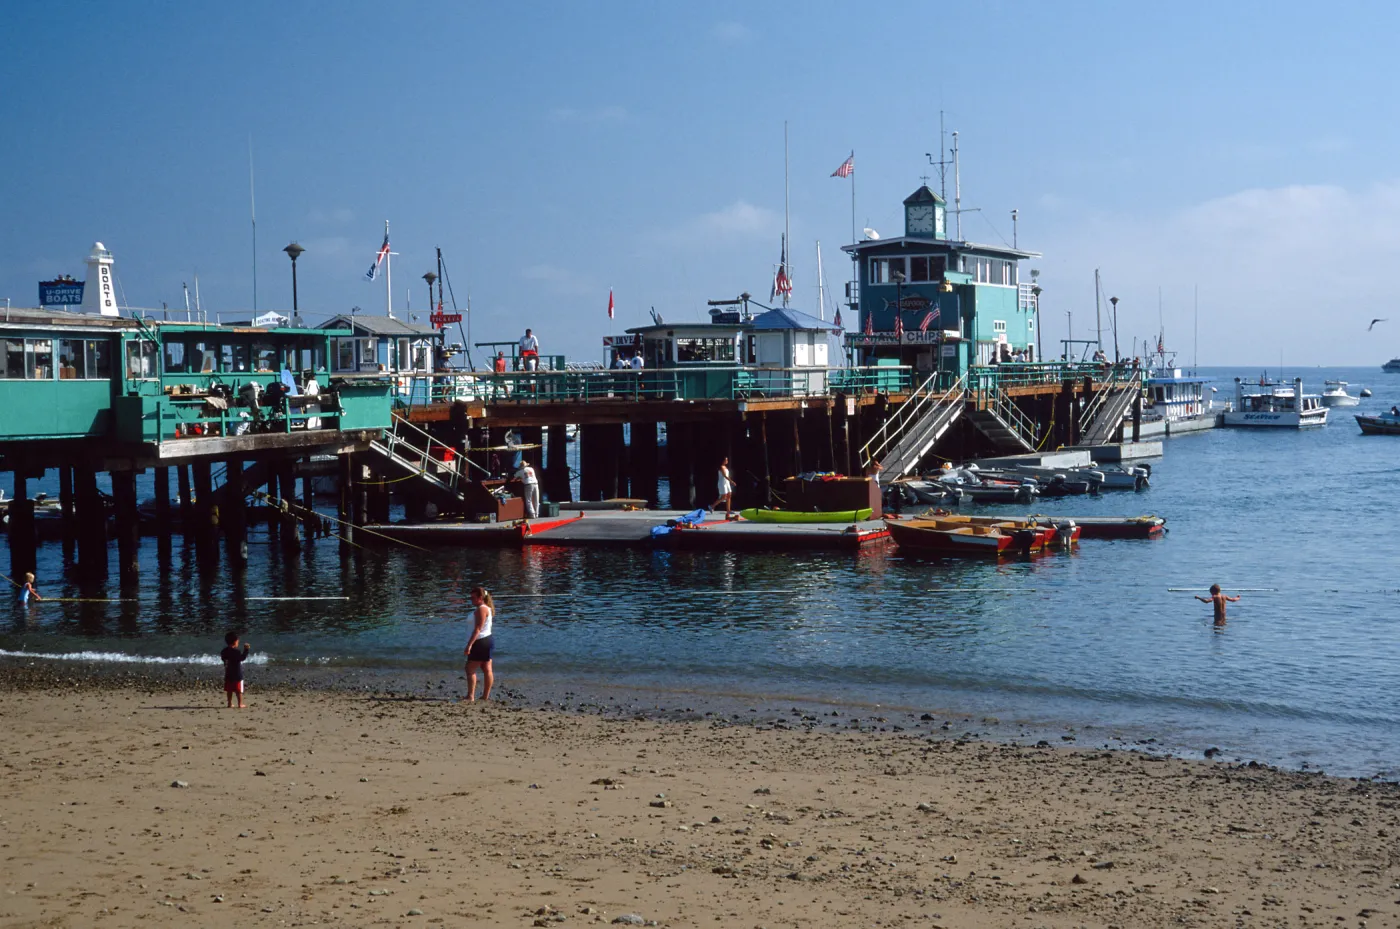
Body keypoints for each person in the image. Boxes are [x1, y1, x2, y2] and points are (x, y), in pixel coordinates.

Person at [463, 586, 495, 702]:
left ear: (480, 598)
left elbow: (478, 629)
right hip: (486, 640)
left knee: (470, 668)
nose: (471, 600)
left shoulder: (482, 609)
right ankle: (484, 696)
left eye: (473, 598)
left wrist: (469, 645)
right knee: (486, 668)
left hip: (481, 641)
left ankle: (470, 696)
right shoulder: (486, 608)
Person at [220, 631, 252, 708]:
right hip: (237, 674)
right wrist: (246, 650)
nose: (238, 642)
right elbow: (242, 658)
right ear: (235, 642)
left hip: (228, 673)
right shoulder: (236, 652)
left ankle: (229, 703)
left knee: (229, 690)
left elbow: (223, 658)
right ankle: (240, 703)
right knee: (238, 690)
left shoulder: (224, 651)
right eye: (238, 641)